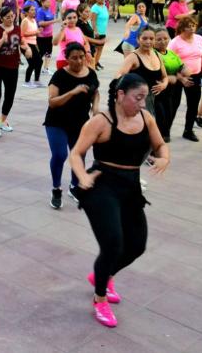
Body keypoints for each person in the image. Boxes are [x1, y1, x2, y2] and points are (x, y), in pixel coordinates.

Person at [69, 73, 169, 328]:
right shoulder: (101, 122)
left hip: (130, 187)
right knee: (113, 244)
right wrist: (82, 176)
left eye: (144, 98)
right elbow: (76, 153)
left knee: (136, 245)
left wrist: (163, 158)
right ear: (121, 95)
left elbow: (160, 146)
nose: (142, 103)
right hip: (101, 185)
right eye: (138, 98)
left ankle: (103, 275)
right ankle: (100, 298)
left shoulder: (146, 118)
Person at [44, 42, 99, 209]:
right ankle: (56, 188)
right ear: (67, 59)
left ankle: (75, 186)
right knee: (60, 155)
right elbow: (52, 102)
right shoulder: (59, 76)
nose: (79, 61)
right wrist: (72, 92)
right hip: (57, 122)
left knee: (79, 155)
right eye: (74, 58)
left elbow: (95, 92)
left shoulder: (91, 73)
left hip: (80, 123)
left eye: (82, 57)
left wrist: (95, 108)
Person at [0, 6, 31, 137]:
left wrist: (27, 49)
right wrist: (2, 40)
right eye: (7, 17)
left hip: (12, 67)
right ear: (1, 18)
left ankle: (2, 121)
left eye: (12, 16)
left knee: (10, 96)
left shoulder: (17, 29)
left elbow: (22, 43)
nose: (11, 19)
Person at [167, 17, 202, 142]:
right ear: (182, 27)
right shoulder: (175, 42)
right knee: (174, 104)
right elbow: (168, 62)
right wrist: (180, 77)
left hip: (195, 75)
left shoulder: (199, 38)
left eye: (194, 25)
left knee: (193, 104)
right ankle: (165, 131)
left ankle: (188, 131)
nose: (192, 28)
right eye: (189, 26)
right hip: (178, 76)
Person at [114, 28, 168, 115]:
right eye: (144, 38)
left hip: (159, 99)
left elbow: (164, 76)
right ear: (138, 40)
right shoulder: (133, 57)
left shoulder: (157, 54)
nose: (148, 42)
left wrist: (164, 84)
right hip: (141, 101)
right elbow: (119, 76)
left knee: (161, 126)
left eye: (151, 39)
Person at [21, 4, 43, 87]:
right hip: (26, 44)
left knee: (39, 62)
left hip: (33, 44)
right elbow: (22, 34)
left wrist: (37, 33)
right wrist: (36, 32)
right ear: (27, 12)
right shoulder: (25, 21)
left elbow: (34, 33)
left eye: (34, 10)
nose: (34, 11)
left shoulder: (34, 20)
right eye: (32, 10)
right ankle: (27, 82)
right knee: (32, 63)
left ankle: (36, 80)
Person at [37, 0, 56, 74]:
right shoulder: (40, 11)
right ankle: (36, 68)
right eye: (47, 2)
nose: (49, 3)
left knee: (49, 52)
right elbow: (41, 23)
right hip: (42, 35)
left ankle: (45, 68)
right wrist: (53, 21)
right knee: (41, 53)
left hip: (49, 35)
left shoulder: (49, 10)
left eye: (49, 2)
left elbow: (51, 19)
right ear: (42, 3)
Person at [90, 0, 110, 69]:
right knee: (95, 49)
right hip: (97, 32)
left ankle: (96, 62)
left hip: (103, 31)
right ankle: (92, 64)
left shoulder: (104, 6)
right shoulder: (95, 8)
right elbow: (93, 20)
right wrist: (95, 31)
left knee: (100, 48)